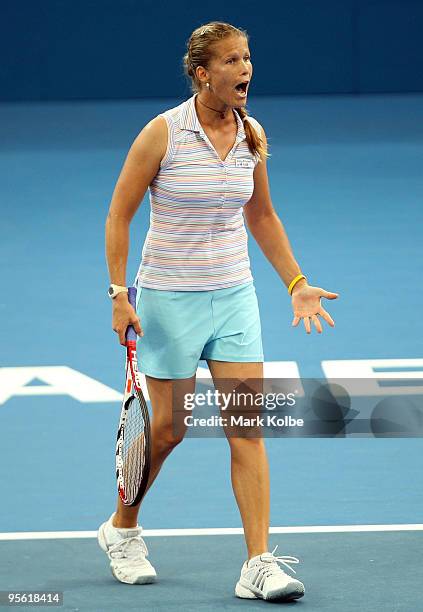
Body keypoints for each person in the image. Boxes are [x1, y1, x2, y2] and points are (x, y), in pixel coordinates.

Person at [98, 21, 338, 602]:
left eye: (249, 58)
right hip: (170, 300)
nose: (246, 69)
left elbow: (262, 216)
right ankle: (121, 529)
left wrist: (296, 283)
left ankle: (258, 562)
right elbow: (119, 215)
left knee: (247, 428)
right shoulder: (162, 134)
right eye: (232, 60)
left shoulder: (252, 132)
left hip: (233, 298)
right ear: (202, 74)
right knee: (170, 430)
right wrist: (119, 295)